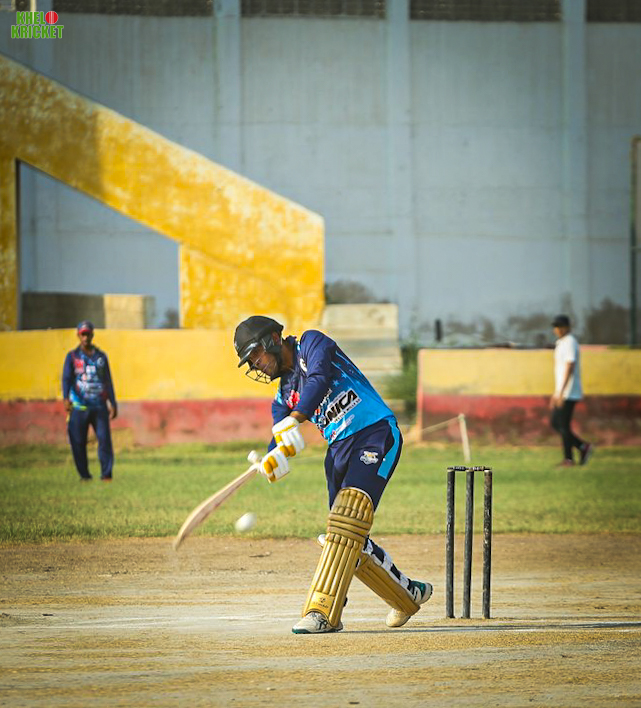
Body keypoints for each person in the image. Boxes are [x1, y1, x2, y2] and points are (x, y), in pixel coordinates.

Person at [234, 315, 432, 634]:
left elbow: (320, 378)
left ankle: (323, 612)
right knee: (347, 538)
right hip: (338, 451)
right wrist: (273, 458)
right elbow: (279, 437)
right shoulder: (283, 396)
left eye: (256, 354)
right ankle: (408, 595)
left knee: (347, 520)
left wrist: (296, 418)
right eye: (250, 361)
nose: (256, 364)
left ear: (273, 339)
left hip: (374, 433)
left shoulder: (311, 343)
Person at [62, 321, 117, 481]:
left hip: (99, 406)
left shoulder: (101, 357)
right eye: (83, 334)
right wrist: (65, 398)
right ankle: (84, 475)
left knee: (104, 440)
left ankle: (106, 474)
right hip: (79, 407)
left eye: (88, 334)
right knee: (78, 441)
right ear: (78, 335)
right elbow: (66, 379)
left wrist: (113, 403)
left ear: (92, 334)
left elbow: (108, 380)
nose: (85, 337)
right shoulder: (72, 357)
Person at [549, 314, 594, 467]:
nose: (557, 330)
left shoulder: (570, 342)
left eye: (560, 327)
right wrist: (556, 393)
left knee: (561, 424)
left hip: (569, 391)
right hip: (563, 391)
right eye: (556, 327)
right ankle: (578, 450)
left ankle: (574, 454)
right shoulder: (561, 343)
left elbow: (570, 366)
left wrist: (561, 392)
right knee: (558, 423)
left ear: (567, 327)